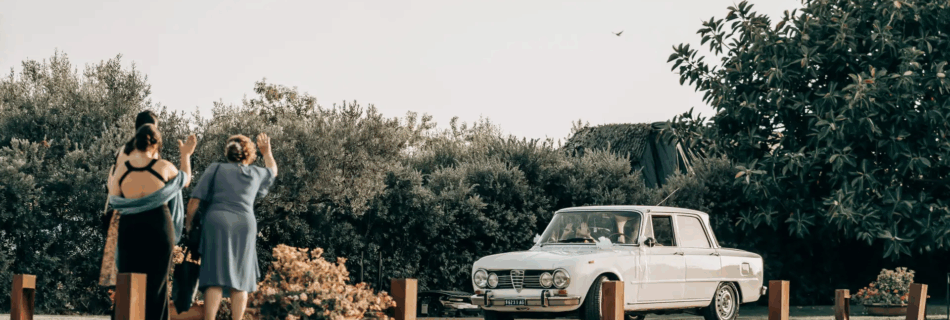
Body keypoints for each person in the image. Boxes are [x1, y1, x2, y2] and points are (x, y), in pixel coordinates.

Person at [108, 124, 197, 320]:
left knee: (128, 284)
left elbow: (114, 199)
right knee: (157, 286)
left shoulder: (123, 169)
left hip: (130, 227)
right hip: (158, 227)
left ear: (136, 143)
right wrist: (186, 155)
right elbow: (185, 179)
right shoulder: (163, 167)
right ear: (156, 144)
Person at [186, 133, 277, 320]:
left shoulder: (215, 169)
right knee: (241, 279)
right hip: (244, 225)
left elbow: (194, 201)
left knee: (214, 277)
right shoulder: (255, 173)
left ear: (228, 152)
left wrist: (188, 225)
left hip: (216, 223)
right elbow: (272, 171)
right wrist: (267, 152)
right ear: (248, 153)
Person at [100, 111, 162, 288]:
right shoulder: (147, 154)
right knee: (141, 270)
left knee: (123, 269)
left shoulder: (122, 151)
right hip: (139, 214)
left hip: (118, 212)